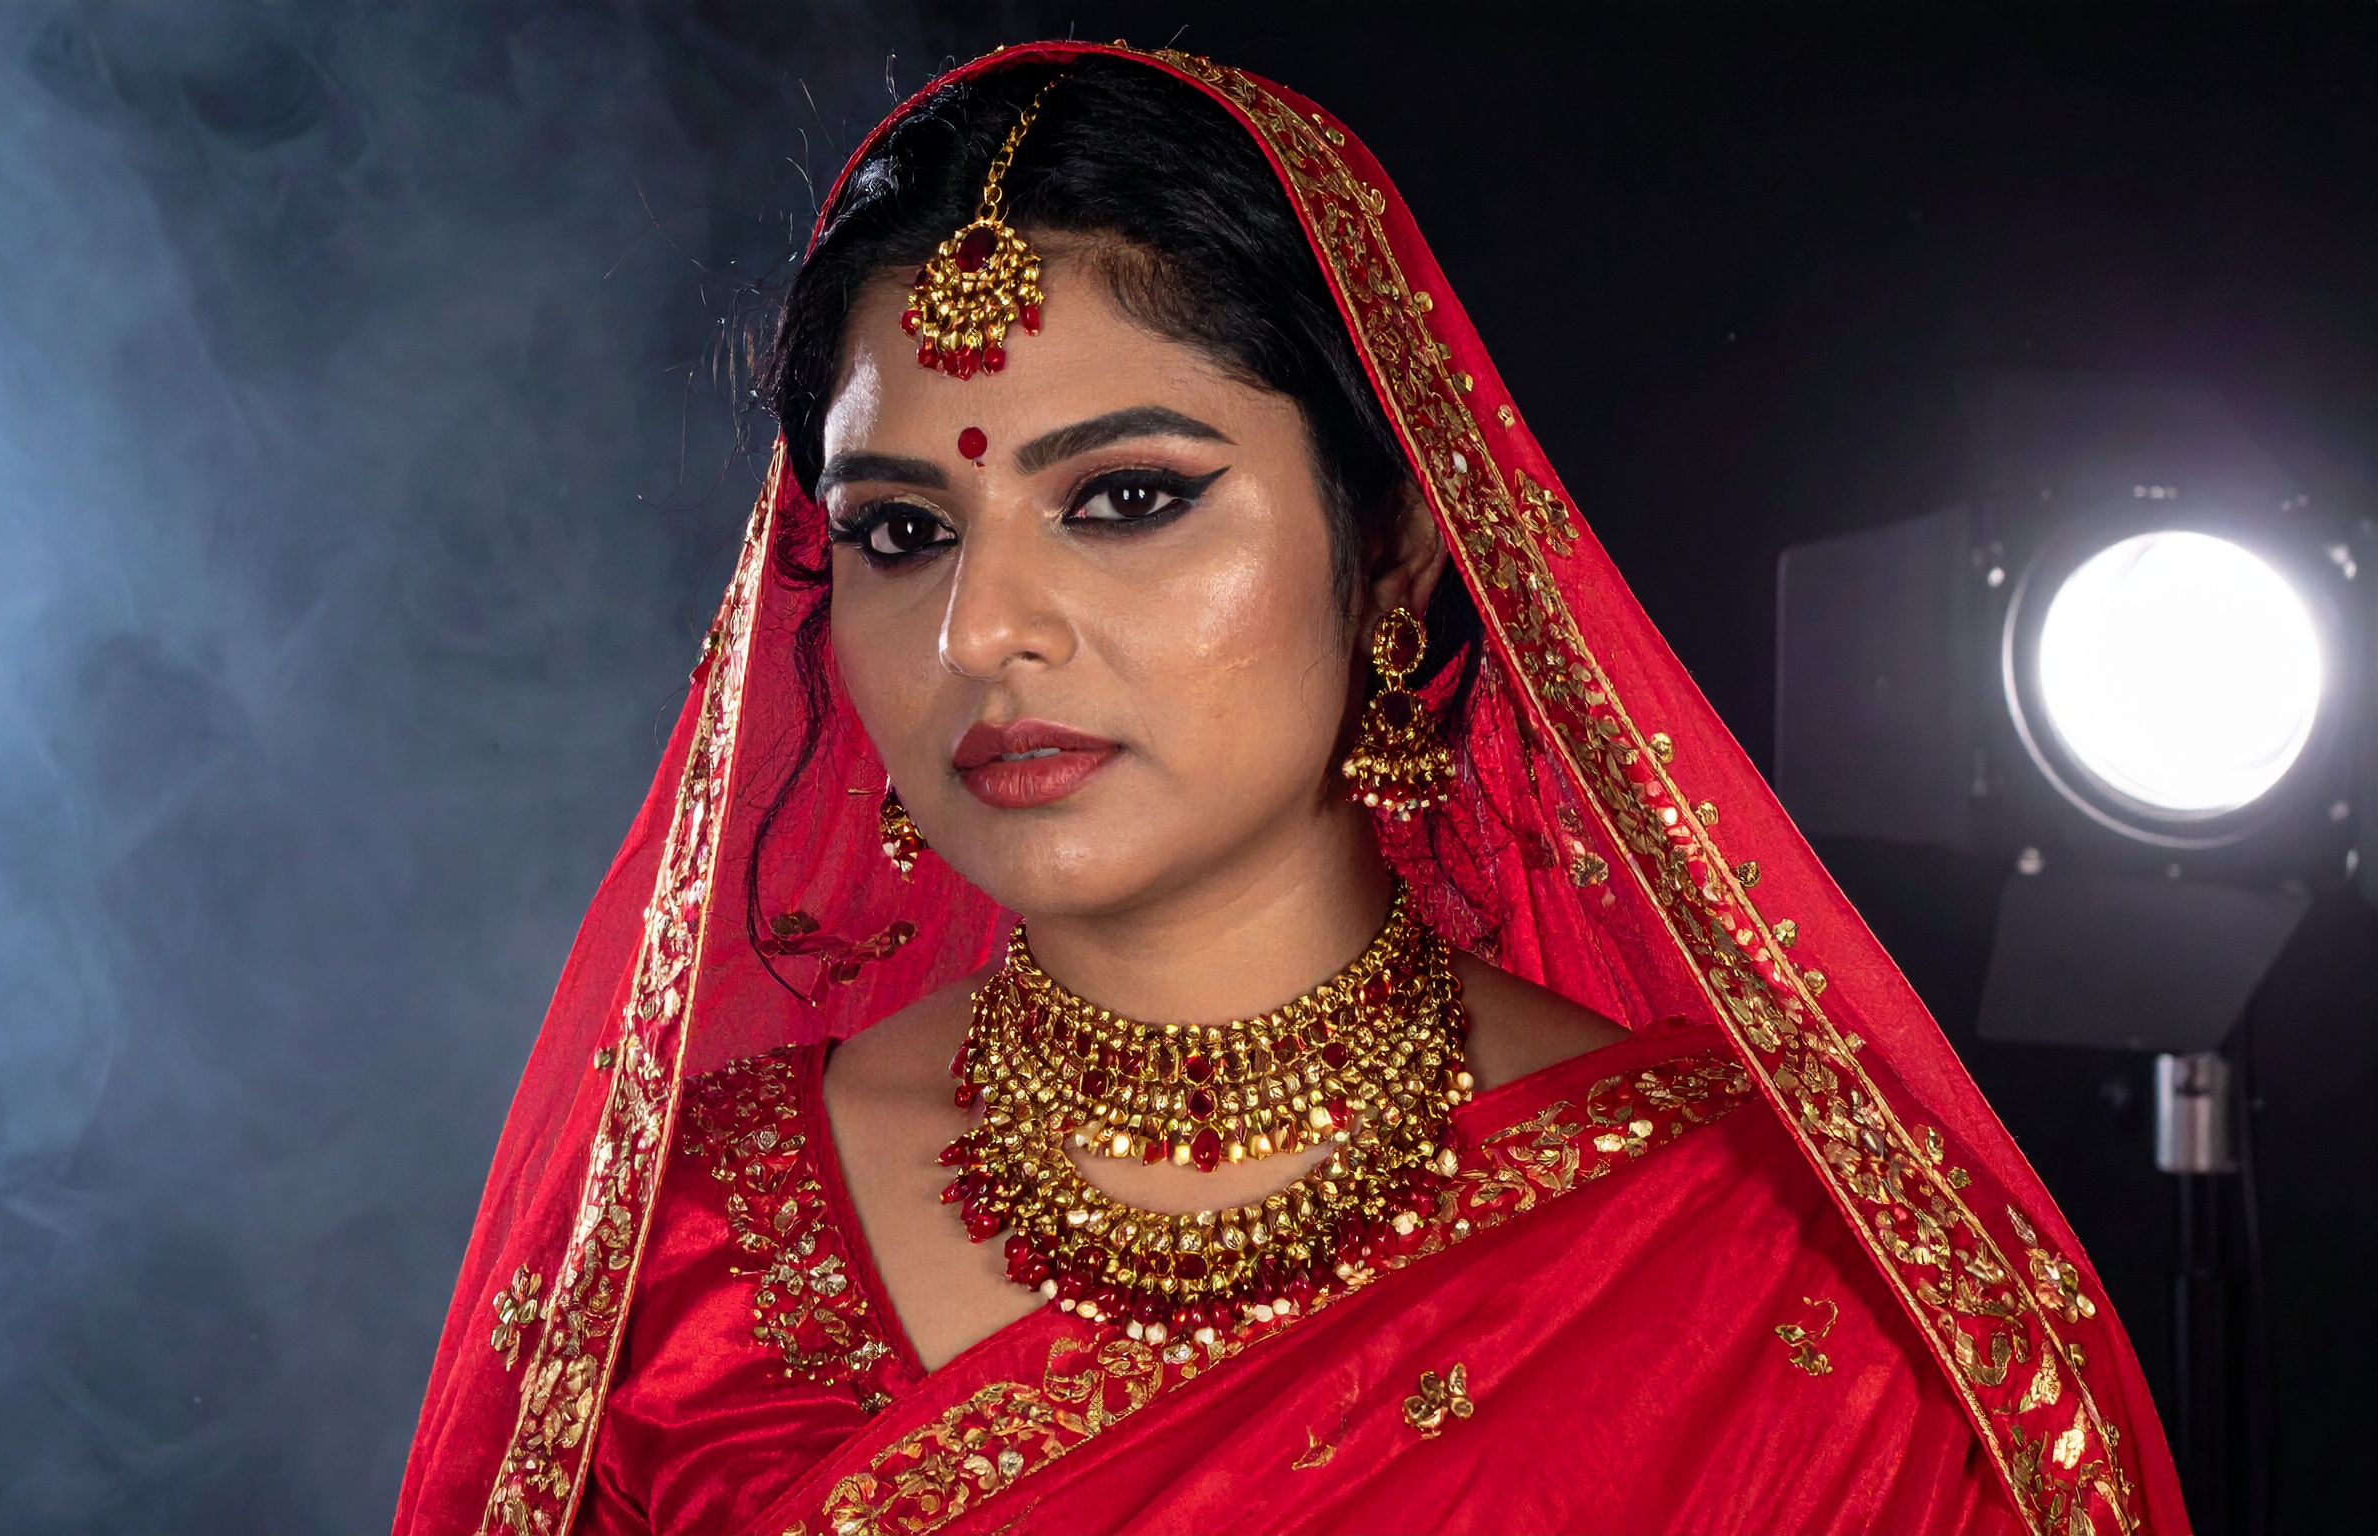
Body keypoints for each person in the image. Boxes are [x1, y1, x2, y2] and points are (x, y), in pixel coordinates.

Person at [396, 42, 2184, 1536]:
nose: (984, 631)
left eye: (1128, 497)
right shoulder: (676, 1258)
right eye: (899, 532)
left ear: (1396, 548)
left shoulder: (1789, 1277)